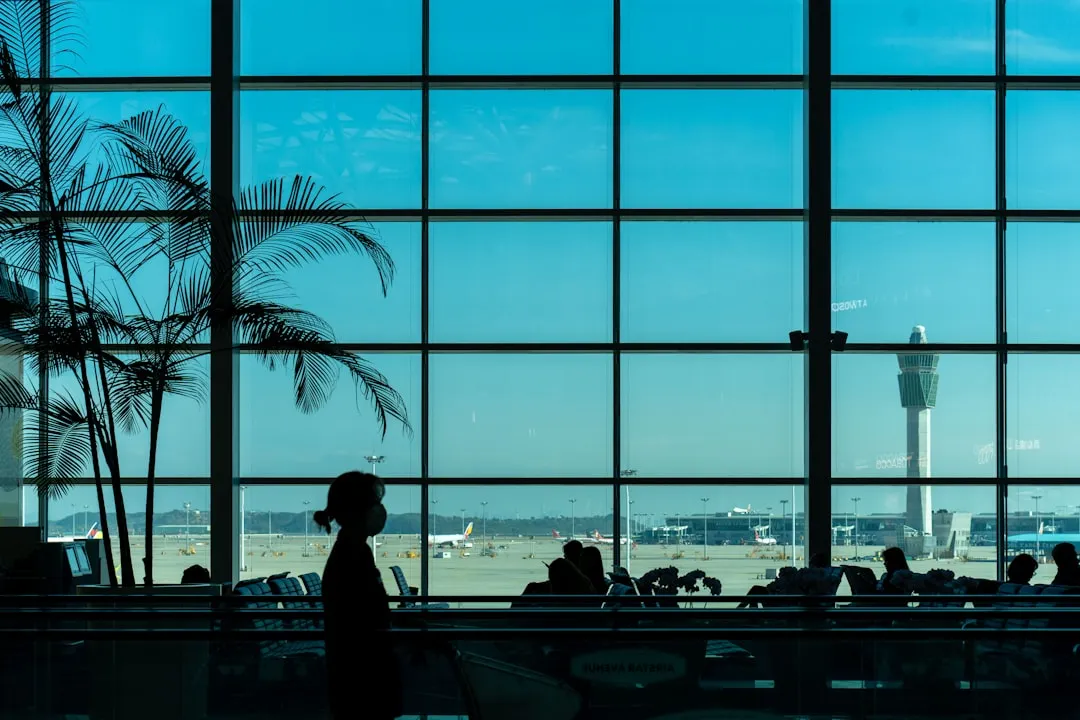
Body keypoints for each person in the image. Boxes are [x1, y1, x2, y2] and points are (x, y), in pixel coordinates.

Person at [317, 471, 402, 720]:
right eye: (375, 503)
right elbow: (366, 617)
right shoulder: (353, 555)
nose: (381, 511)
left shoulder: (353, 550)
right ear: (359, 510)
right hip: (363, 679)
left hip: (354, 676)